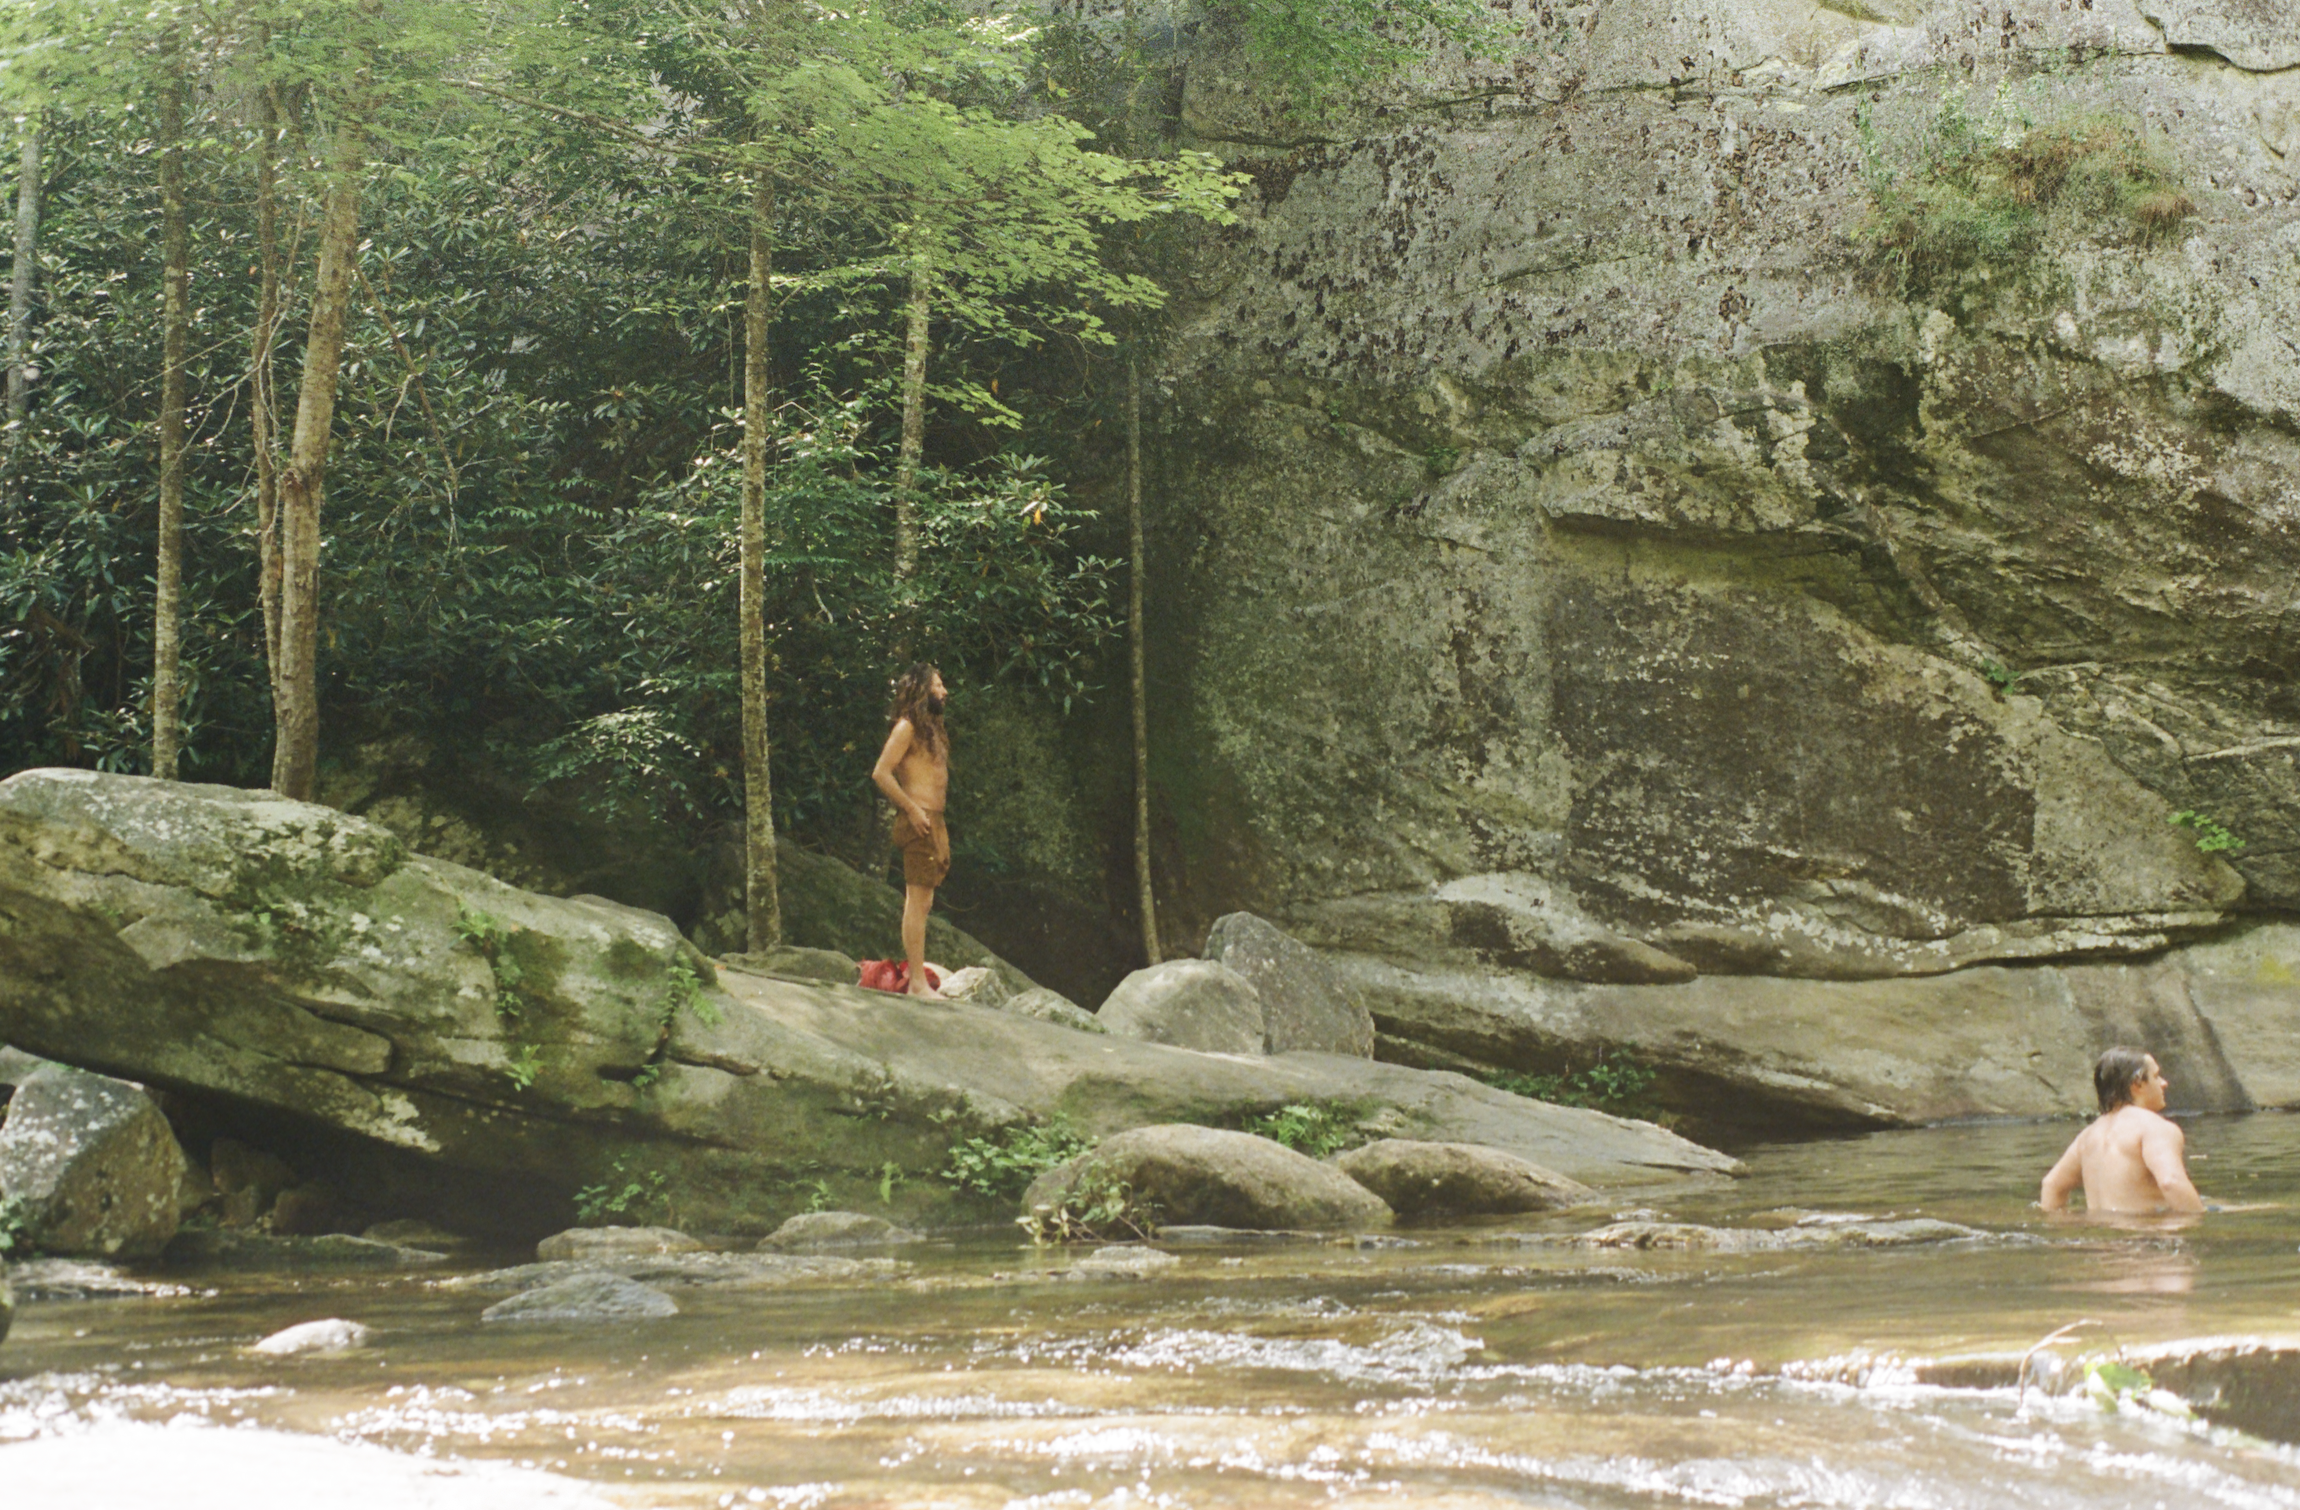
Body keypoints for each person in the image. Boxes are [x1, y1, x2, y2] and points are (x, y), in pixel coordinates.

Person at [2039, 1047, 2205, 1216]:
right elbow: (2171, 1182)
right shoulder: (2154, 1127)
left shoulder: (2088, 1135)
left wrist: (2060, 1227)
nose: (2164, 1083)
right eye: (2156, 1076)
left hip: (2100, 1239)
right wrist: (2196, 1227)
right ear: (2138, 1083)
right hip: (2143, 1238)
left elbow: (2051, 1185)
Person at [870, 663, 950, 999]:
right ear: (921, 689)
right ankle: (917, 983)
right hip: (918, 818)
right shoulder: (905, 727)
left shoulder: (930, 729)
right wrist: (913, 809)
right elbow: (881, 773)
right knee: (916, 902)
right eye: (938, 684)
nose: (944, 691)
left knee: (925, 901)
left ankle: (917, 977)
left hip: (934, 820)